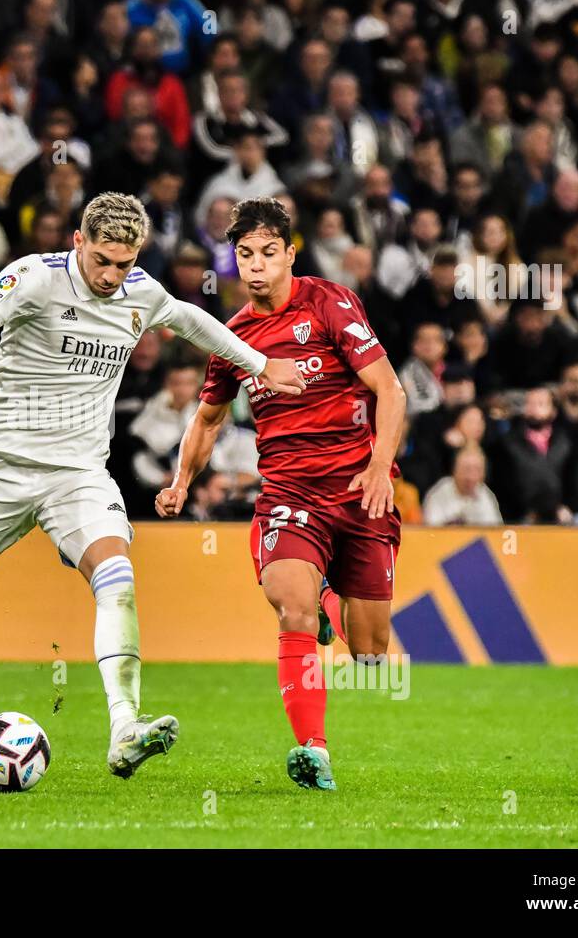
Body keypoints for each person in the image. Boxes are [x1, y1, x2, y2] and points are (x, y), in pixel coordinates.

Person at [0, 191, 306, 778]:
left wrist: (262, 365)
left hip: (79, 475)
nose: (113, 276)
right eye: (102, 261)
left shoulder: (140, 291)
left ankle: (124, 728)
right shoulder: (34, 279)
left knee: (117, 577)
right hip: (2, 470)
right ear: (78, 243)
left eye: (125, 263)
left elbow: (195, 322)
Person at [156, 197, 406, 793]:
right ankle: (313, 750)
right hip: (290, 494)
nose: (257, 265)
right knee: (290, 604)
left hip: (358, 492)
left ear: (291, 253)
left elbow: (391, 391)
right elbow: (210, 418)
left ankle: (327, 601)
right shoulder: (234, 337)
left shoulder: (330, 303)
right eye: (245, 254)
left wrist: (379, 468)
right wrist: (181, 480)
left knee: (370, 656)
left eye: (269, 252)